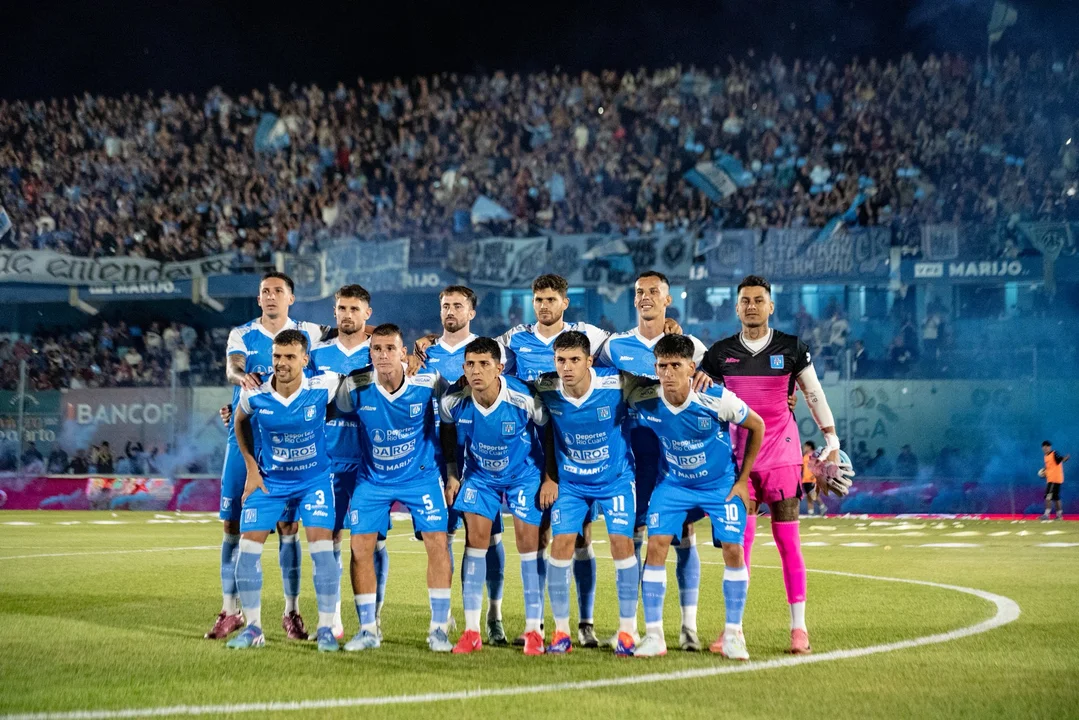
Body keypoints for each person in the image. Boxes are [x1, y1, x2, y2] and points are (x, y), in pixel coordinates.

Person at [701, 275, 853, 655]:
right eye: (745, 301)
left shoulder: (791, 348)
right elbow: (700, 393)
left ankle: (799, 630)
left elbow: (813, 393)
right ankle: (734, 630)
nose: (751, 305)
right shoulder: (718, 354)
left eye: (758, 300)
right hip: (739, 462)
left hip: (782, 456)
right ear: (736, 308)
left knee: (788, 542)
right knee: (739, 544)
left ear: (771, 306)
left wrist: (832, 441)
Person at [629, 334, 765, 659]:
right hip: (674, 485)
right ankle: (655, 636)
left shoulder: (716, 398)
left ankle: (733, 636)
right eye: (662, 366)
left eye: (676, 365)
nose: (669, 373)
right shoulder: (646, 400)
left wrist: (743, 481)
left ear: (692, 367)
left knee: (733, 549)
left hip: (721, 486)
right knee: (656, 545)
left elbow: (757, 425)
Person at [206, 271, 325, 642]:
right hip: (243, 440)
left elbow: (352, 331)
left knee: (289, 528)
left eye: (278, 291)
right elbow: (232, 366)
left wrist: (421, 344)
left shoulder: (311, 331)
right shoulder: (242, 333)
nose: (271, 296)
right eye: (265, 292)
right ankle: (231, 610)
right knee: (233, 525)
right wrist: (241, 378)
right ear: (258, 299)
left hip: (287, 443)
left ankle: (291, 611)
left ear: (291, 297)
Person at [595, 270, 710, 651]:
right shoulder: (614, 347)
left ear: (668, 299)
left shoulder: (690, 345)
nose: (645, 297)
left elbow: (719, 376)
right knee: (636, 535)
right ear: (634, 299)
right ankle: (636, 627)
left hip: (678, 454)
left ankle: (688, 627)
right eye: (639, 291)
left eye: (653, 292)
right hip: (635, 451)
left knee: (684, 535)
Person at [336, 324, 454, 652]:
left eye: (391, 348)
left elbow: (453, 414)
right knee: (359, 548)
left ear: (404, 353)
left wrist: (453, 471)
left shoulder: (428, 380)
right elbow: (329, 412)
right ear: (369, 353)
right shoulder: (355, 385)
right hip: (373, 480)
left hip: (421, 477)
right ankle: (368, 629)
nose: (383, 354)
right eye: (377, 349)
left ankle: (439, 629)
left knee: (437, 543)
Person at [226, 329, 342, 652]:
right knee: (246, 554)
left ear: (306, 359)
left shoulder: (325, 385)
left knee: (322, 552)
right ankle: (253, 628)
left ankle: (326, 628)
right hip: (270, 481)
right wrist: (251, 467)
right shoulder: (255, 392)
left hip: (314, 481)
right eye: (277, 356)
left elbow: (361, 377)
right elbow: (239, 421)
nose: (281, 363)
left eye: (290, 357)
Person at [439, 338, 550, 655]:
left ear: (499, 368)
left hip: (523, 475)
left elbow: (547, 435)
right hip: (480, 476)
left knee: (528, 547)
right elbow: (449, 435)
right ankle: (471, 631)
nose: (476, 371)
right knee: (475, 545)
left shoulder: (523, 397)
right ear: (463, 368)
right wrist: (452, 474)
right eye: (470, 364)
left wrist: (548, 478)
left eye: (484, 364)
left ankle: (533, 630)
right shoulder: (454, 400)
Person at [534, 331, 642, 657]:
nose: (566, 367)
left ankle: (627, 630)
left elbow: (660, 379)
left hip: (616, 480)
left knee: (621, 545)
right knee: (562, 544)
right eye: (561, 360)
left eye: (574, 360)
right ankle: (562, 632)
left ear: (589, 361)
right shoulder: (545, 388)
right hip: (572, 483)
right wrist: (550, 476)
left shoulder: (618, 383)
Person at [417, 285, 509, 645]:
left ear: (472, 312)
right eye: (445, 305)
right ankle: (445, 615)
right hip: (432, 456)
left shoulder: (493, 350)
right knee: (441, 537)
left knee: (489, 537)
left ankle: (494, 615)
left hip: (479, 455)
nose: (450, 310)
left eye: (458, 305)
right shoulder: (424, 353)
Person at [307, 284, 379, 640]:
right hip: (330, 459)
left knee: (371, 541)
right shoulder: (317, 355)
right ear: (334, 313)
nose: (347, 315)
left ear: (368, 314)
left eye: (354, 309)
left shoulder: (381, 352)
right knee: (331, 537)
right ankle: (333, 618)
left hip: (371, 462)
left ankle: (372, 618)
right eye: (341, 308)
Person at [1040, 441, 1069, 521]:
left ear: (1050, 447)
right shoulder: (1046, 456)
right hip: (1054, 479)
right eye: (1044, 447)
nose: (1046, 448)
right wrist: (1044, 473)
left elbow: (1059, 459)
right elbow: (1050, 467)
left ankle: (1046, 514)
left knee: (1048, 496)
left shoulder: (1054, 453)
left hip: (1054, 479)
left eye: (1047, 446)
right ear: (1042, 448)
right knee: (1056, 497)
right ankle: (1059, 515)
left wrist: (1064, 459)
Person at [801, 442, 827, 516]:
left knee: (813, 494)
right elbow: (802, 467)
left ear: (809, 447)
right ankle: (811, 512)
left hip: (812, 479)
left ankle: (822, 506)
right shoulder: (804, 456)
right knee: (808, 496)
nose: (804, 448)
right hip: (805, 479)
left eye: (805, 446)